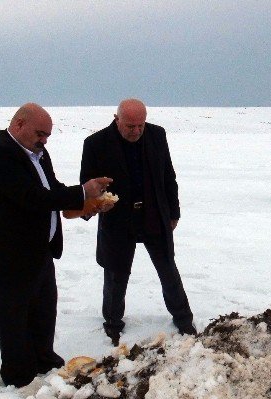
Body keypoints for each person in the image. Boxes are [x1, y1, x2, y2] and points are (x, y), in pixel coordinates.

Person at [0, 103, 112, 388]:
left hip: (37, 253)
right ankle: (19, 380)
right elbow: (32, 198)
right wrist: (83, 191)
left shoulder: (38, 154)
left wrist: (86, 205)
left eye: (48, 135)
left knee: (43, 313)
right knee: (14, 323)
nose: (44, 140)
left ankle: (44, 361)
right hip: (4, 258)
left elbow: (52, 191)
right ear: (19, 124)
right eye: (40, 133)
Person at [79, 98, 196, 346]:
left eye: (140, 125)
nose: (136, 131)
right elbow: (88, 186)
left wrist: (173, 213)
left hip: (154, 215)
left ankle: (184, 319)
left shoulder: (156, 135)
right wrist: (99, 203)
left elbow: (168, 176)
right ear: (116, 119)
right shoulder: (96, 144)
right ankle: (112, 323)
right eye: (130, 126)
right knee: (116, 274)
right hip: (118, 220)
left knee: (168, 270)